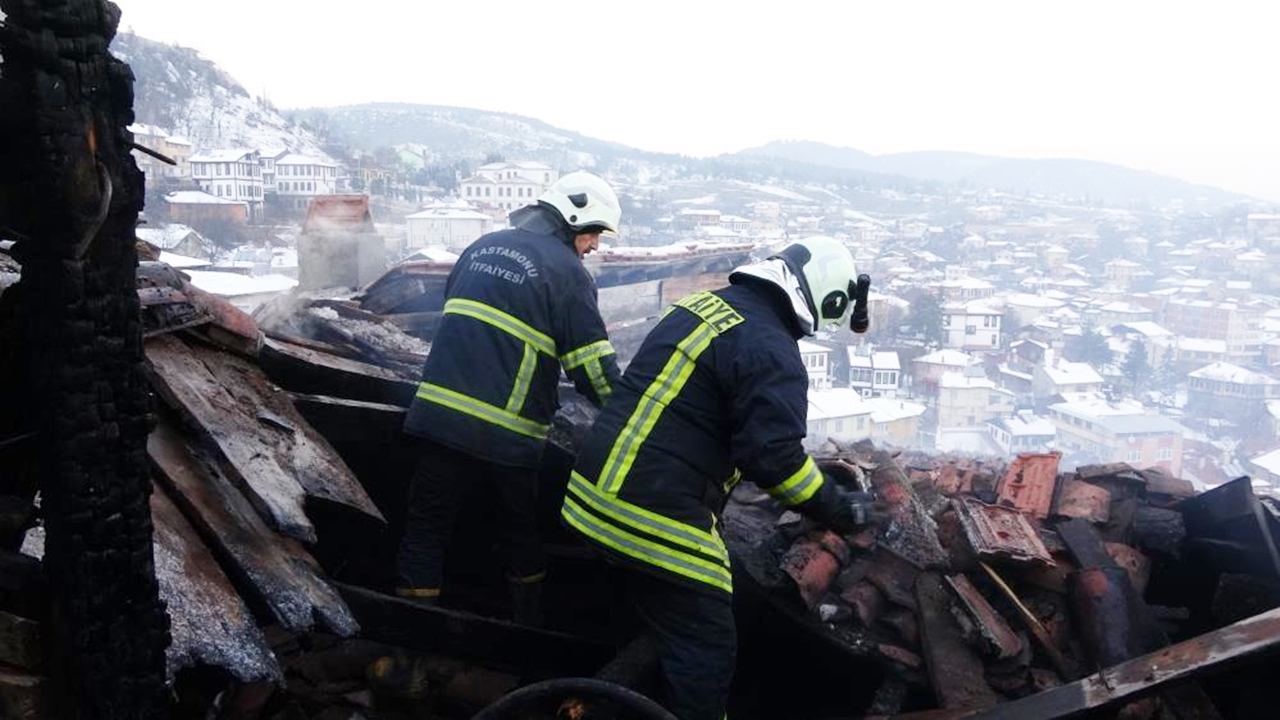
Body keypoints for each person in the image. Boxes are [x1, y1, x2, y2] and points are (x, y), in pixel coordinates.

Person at [560, 236, 884, 720]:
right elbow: (774, 460)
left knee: (665, 615)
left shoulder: (703, 307)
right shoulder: (771, 347)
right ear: (828, 298)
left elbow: (700, 415)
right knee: (708, 642)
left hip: (590, 495)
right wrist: (840, 507)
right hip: (648, 513)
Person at [396, 171, 623, 625]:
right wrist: (630, 415)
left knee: (426, 529)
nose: (595, 245)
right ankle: (527, 632)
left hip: (437, 418)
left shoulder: (479, 249)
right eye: (594, 233)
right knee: (520, 534)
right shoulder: (567, 273)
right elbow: (592, 368)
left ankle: (407, 643)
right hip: (507, 433)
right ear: (573, 221)